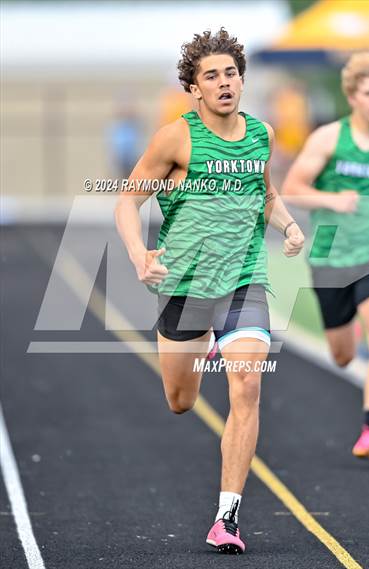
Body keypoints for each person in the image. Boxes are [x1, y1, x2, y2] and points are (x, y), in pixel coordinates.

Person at [115, 28, 304, 554]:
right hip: (186, 284)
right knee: (181, 400)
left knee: (246, 385)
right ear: (194, 89)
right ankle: (204, 347)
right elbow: (126, 201)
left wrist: (286, 226)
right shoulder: (176, 137)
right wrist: (138, 255)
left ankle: (227, 517)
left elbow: (263, 194)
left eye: (231, 73)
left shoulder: (261, 133)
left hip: (245, 277)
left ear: (242, 79)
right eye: (211, 76)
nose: (224, 83)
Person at [282, 53, 369, 460]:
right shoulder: (328, 139)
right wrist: (332, 199)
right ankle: (347, 330)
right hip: (330, 258)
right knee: (342, 355)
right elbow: (291, 188)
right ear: (352, 97)